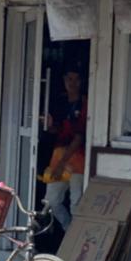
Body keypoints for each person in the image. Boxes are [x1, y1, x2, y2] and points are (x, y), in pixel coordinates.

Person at [41, 70, 88, 230]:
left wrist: (61, 164)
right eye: (69, 78)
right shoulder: (61, 101)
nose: (72, 83)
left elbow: (79, 137)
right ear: (64, 80)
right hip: (58, 157)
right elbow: (58, 129)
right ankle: (70, 234)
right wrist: (49, 125)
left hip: (78, 161)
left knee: (77, 205)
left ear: (81, 82)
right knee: (51, 201)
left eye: (76, 79)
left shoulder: (84, 103)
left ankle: (74, 241)